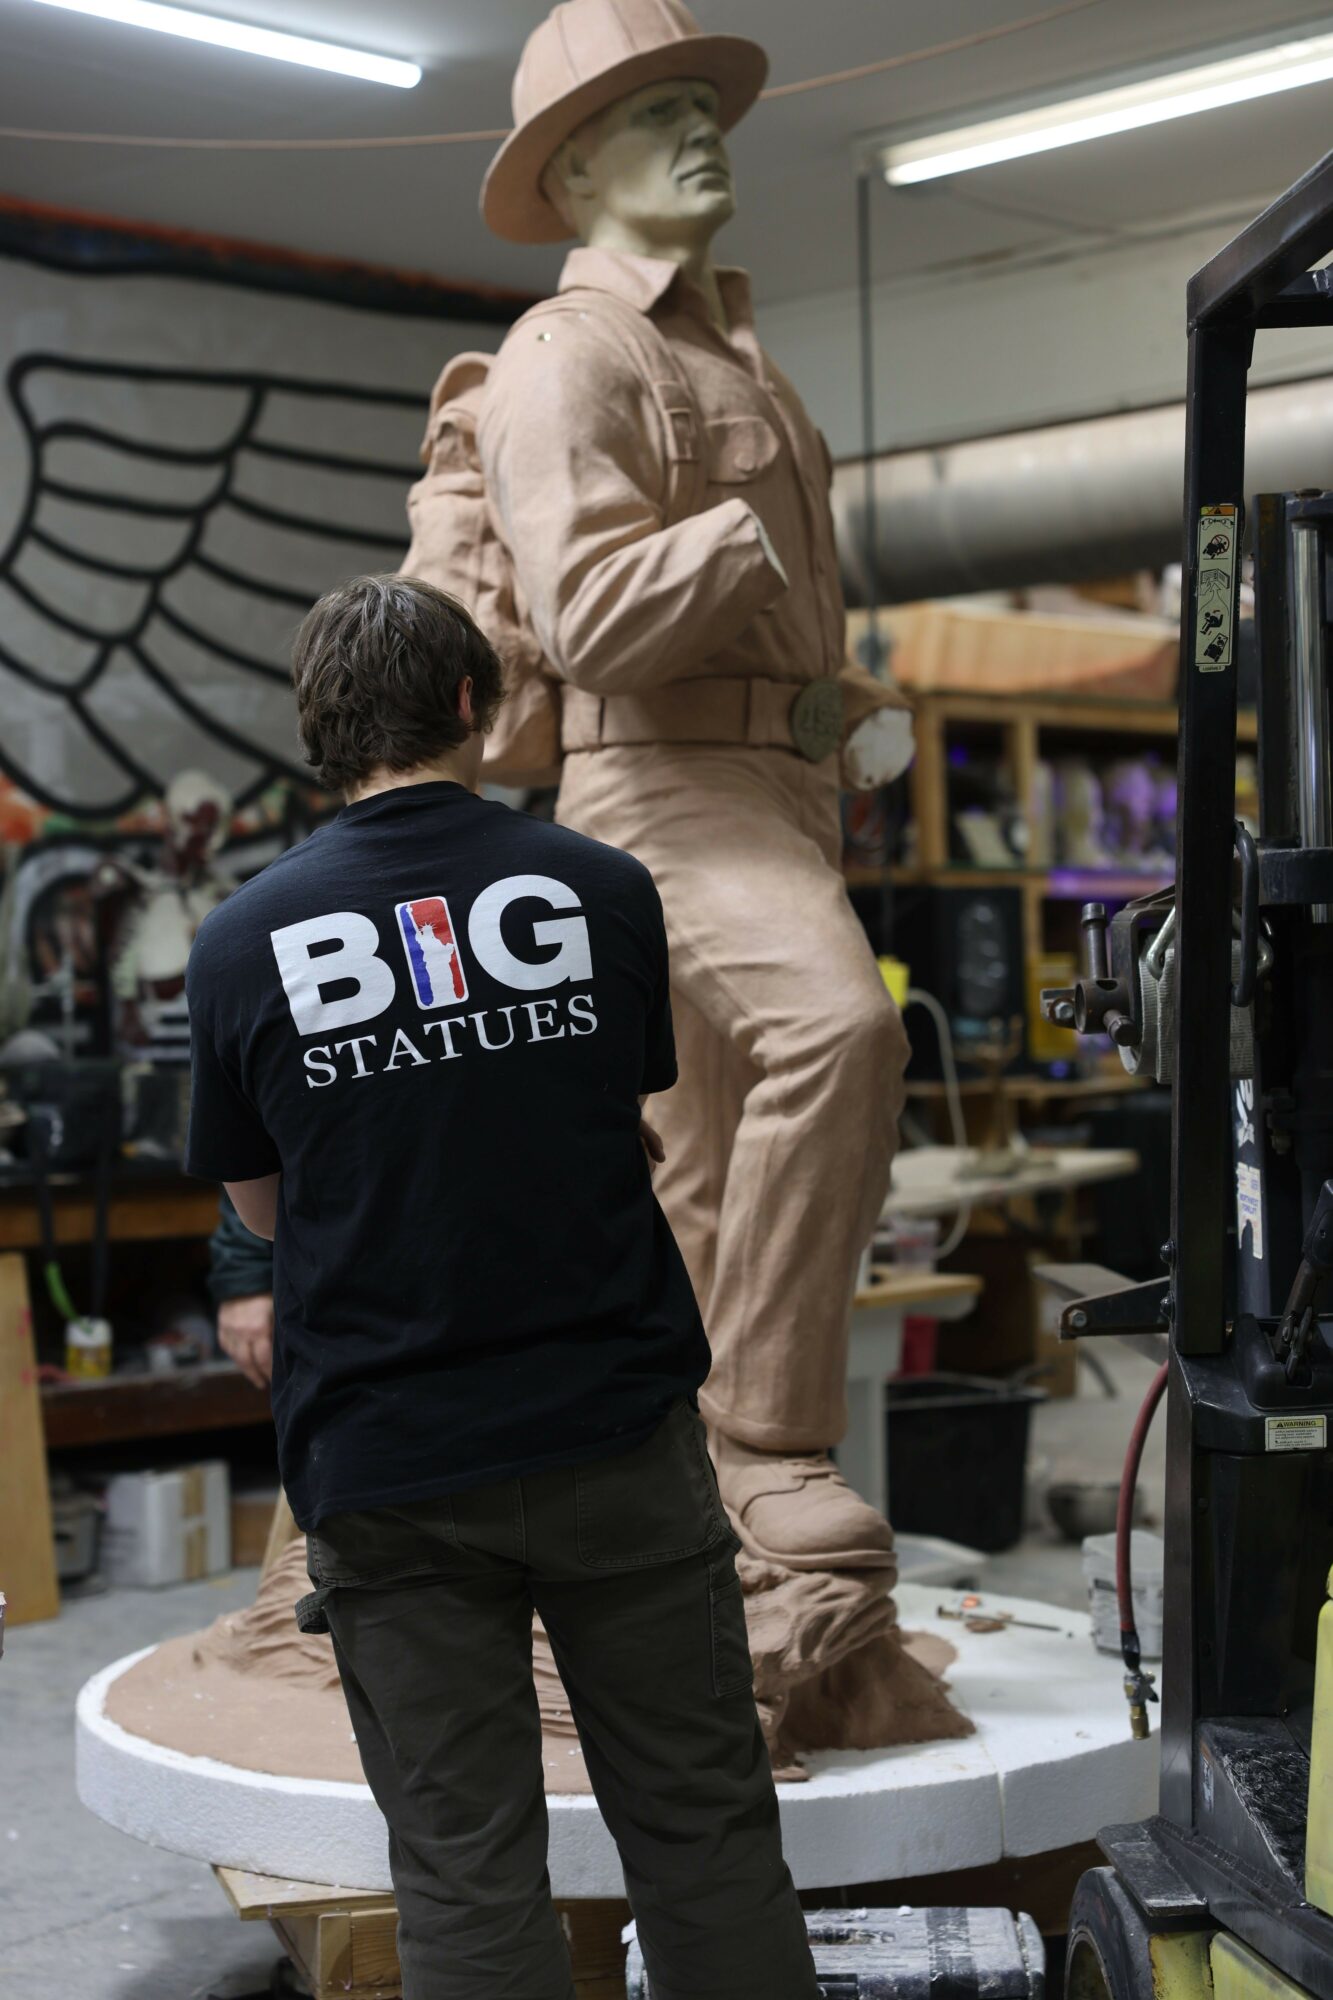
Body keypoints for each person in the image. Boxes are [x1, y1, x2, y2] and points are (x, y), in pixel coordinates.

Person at [184, 573, 821, 2000]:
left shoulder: (239, 941)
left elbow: (265, 1212)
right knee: (703, 1831)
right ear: (471, 702)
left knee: (463, 1868)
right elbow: (617, 1108)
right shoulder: (601, 887)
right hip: (613, 1431)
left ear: (319, 727)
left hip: (390, 1458)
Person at [457, 0, 913, 1576]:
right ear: (575, 173)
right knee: (838, 1032)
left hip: (779, 786)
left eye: (704, 108)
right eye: (658, 116)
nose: (704, 131)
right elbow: (589, 621)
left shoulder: (731, 354)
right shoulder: (568, 351)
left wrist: (837, 701)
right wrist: (739, 543)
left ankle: (684, 1511)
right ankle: (771, 1443)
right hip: (658, 791)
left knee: (703, 1175)